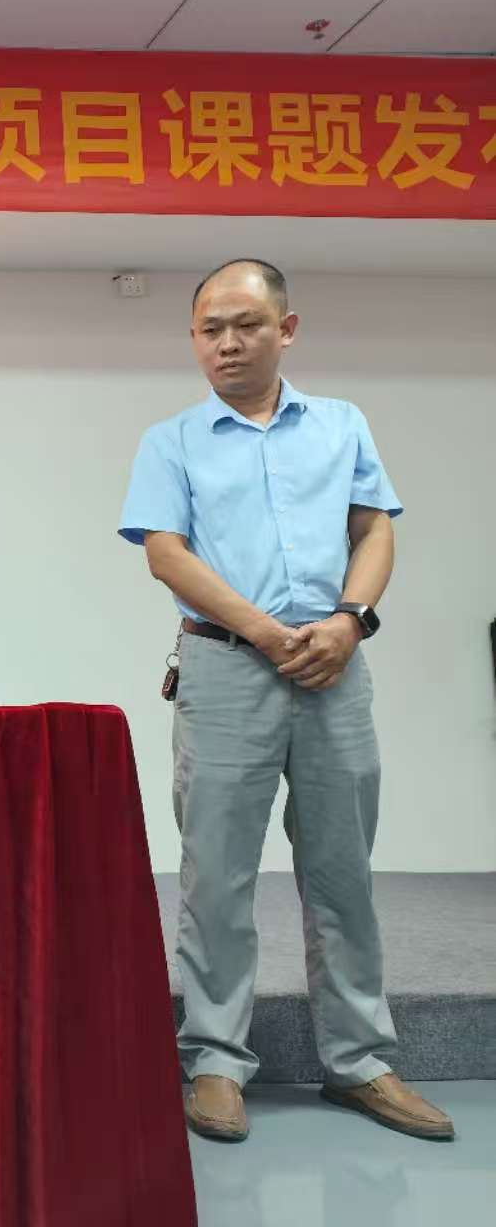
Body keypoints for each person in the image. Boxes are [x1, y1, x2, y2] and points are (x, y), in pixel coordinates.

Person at [119, 258, 453, 1143]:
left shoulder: (341, 425)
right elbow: (165, 554)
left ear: (286, 330)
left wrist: (350, 621)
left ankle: (360, 1061)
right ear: (194, 340)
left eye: (246, 326)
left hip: (335, 669)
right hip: (227, 668)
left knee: (343, 872)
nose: (227, 344)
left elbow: (373, 528)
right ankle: (216, 1062)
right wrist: (269, 634)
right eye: (210, 330)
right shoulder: (171, 441)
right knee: (218, 875)